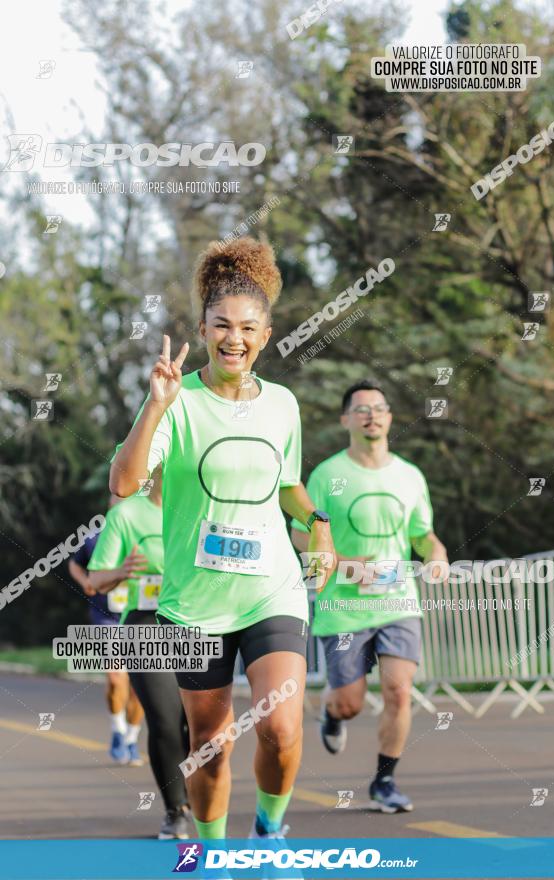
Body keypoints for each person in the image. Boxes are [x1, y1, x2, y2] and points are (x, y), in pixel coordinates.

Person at [108, 237, 336, 842]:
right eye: (221, 325)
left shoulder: (283, 405)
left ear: (266, 334)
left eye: (248, 328)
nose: (234, 338)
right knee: (209, 746)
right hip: (196, 604)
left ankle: (269, 829)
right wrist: (156, 406)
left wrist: (318, 525)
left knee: (281, 728)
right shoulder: (177, 402)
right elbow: (125, 482)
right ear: (203, 328)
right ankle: (212, 855)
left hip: (271, 590)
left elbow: (287, 486)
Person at [291, 378, 448, 813]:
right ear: (346, 420)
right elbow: (299, 534)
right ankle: (332, 713)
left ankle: (384, 782)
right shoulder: (327, 475)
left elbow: (423, 535)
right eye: (361, 409)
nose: (371, 415)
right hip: (342, 605)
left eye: (379, 408)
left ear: (390, 418)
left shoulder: (409, 476)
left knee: (399, 691)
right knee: (350, 702)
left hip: (399, 601)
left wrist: (436, 555)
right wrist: (343, 562)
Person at [87, 468, 192, 840]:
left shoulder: (205, 508)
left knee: (195, 725)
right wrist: (121, 570)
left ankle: (196, 794)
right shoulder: (126, 514)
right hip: (145, 623)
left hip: (200, 623)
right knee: (164, 719)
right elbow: (94, 579)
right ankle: (175, 810)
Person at [68, 498, 144, 766]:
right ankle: (118, 730)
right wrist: (85, 581)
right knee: (115, 677)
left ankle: (132, 739)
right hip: (107, 618)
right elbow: (75, 564)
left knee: (140, 688)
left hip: (142, 617)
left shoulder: (151, 529)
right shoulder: (95, 535)